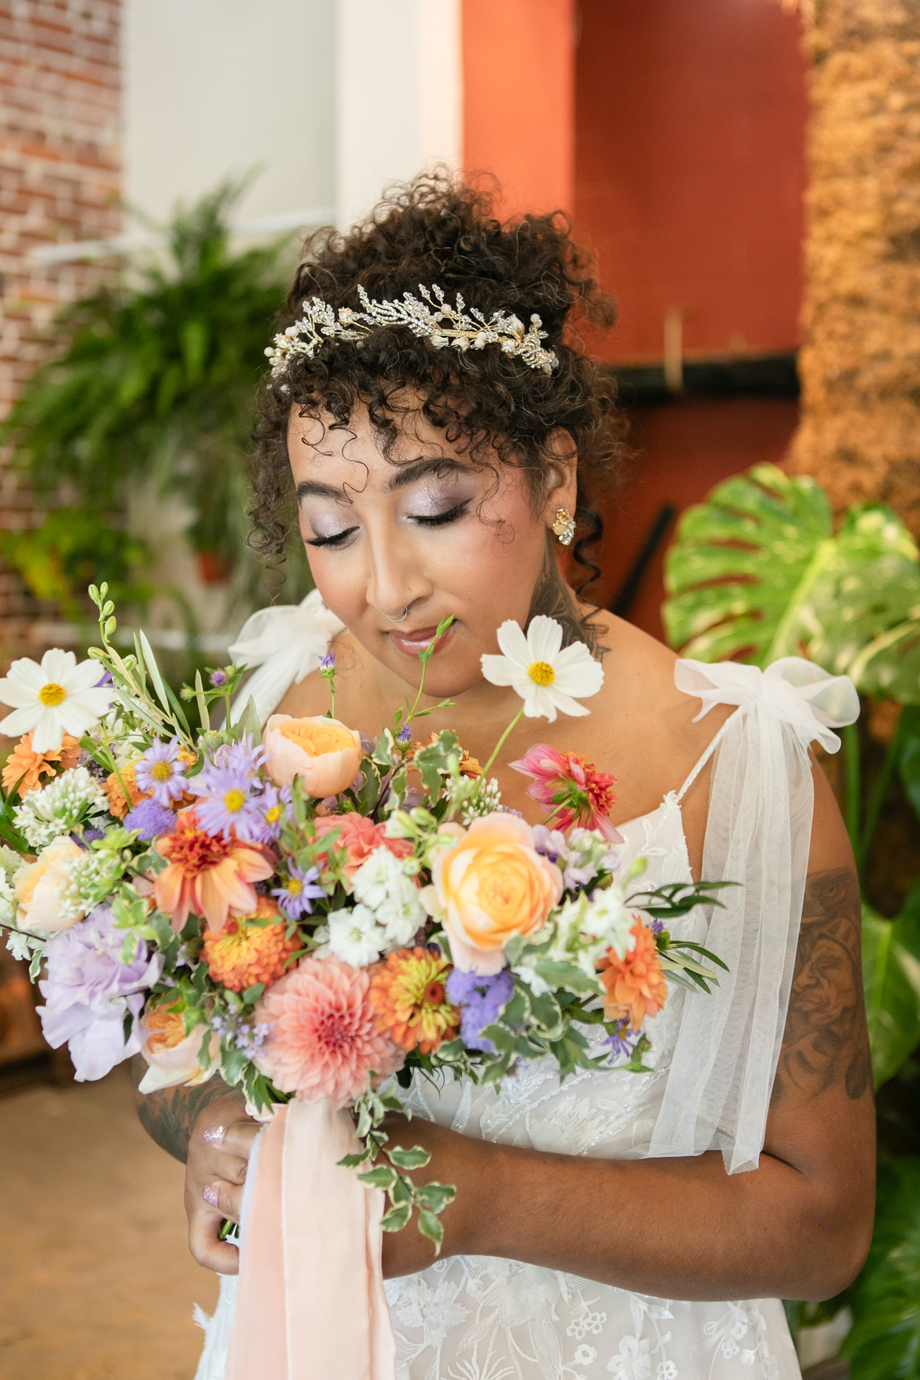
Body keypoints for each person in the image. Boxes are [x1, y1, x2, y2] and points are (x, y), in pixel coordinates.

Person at [133, 177, 875, 1380]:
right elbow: (176, 1047)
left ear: (555, 480)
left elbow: (820, 1226)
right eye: (331, 530)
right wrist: (210, 1130)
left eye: (435, 506)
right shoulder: (279, 712)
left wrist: (479, 1199)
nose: (384, 585)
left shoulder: (731, 764)